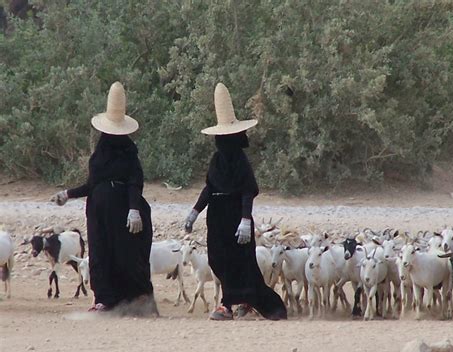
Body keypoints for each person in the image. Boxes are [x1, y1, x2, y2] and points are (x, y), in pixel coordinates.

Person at [51, 82, 158, 316]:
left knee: (126, 254)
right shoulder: (99, 155)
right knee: (100, 253)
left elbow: (134, 182)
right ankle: (105, 299)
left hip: (123, 211)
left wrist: (134, 209)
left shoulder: (129, 154)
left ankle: (136, 300)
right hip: (98, 212)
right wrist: (68, 194)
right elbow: (92, 185)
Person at [184, 83, 287, 321]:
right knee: (218, 260)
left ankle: (233, 304)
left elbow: (248, 190)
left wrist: (244, 219)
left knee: (242, 263)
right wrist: (194, 211)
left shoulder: (240, 161)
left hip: (235, 215)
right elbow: (210, 188)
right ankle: (236, 301)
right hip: (217, 217)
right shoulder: (216, 160)